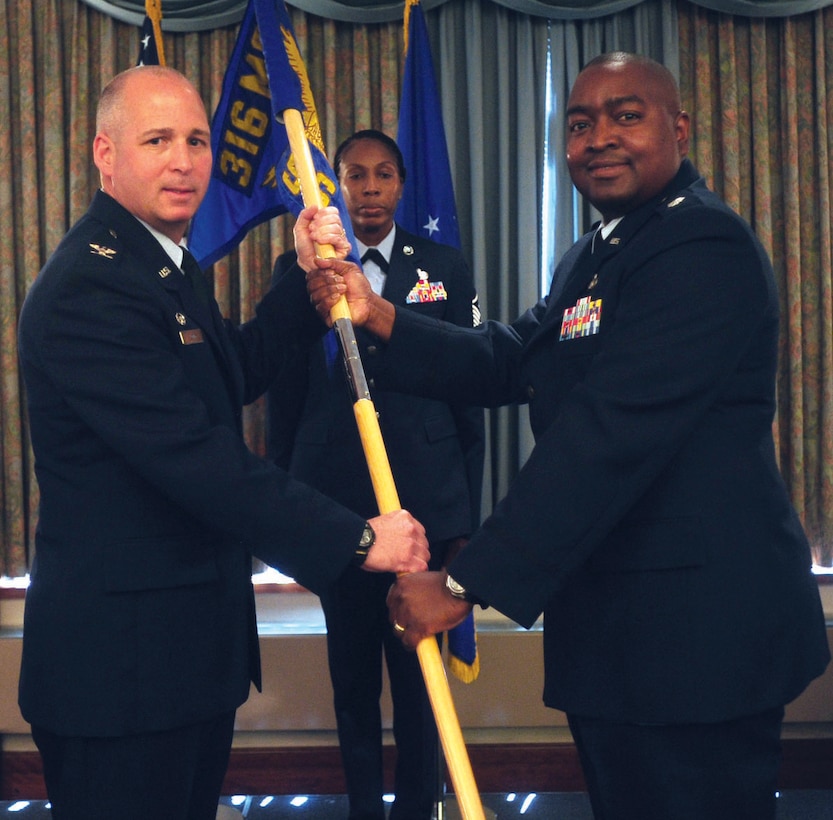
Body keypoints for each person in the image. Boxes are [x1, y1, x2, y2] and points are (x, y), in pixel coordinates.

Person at [303, 53, 831, 820]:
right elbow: (512, 358)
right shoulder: (593, 253)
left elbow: (605, 437)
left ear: (678, 129)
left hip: (697, 641)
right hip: (616, 638)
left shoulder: (701, 248)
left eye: (626, 115)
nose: (598, 138)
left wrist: (459, 584)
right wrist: (378, 313)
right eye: (579, 124)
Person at [16, 65, 430, 820]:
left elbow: (232, 371)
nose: (184, 160)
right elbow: (196, 460)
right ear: (105, 153)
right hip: (120, 674)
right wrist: (356, 537)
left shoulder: (163, 267)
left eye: (198, 140)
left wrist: (305, 280)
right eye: (157, 140)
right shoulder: (91, 286)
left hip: (180, 662)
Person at [267, 130, 484, 820]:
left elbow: (467, 398)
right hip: (338, 516)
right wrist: (288, 524)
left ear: (400, 184)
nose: (367, 188)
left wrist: (460, 528)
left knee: (420, 687)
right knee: (352, 683)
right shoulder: (298, 272)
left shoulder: (442, 267)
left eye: (381, 175)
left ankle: (417, 807)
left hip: (423, 513)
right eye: (354, 176)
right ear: (335, 186)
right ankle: (364, 807)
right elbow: (285, 402)